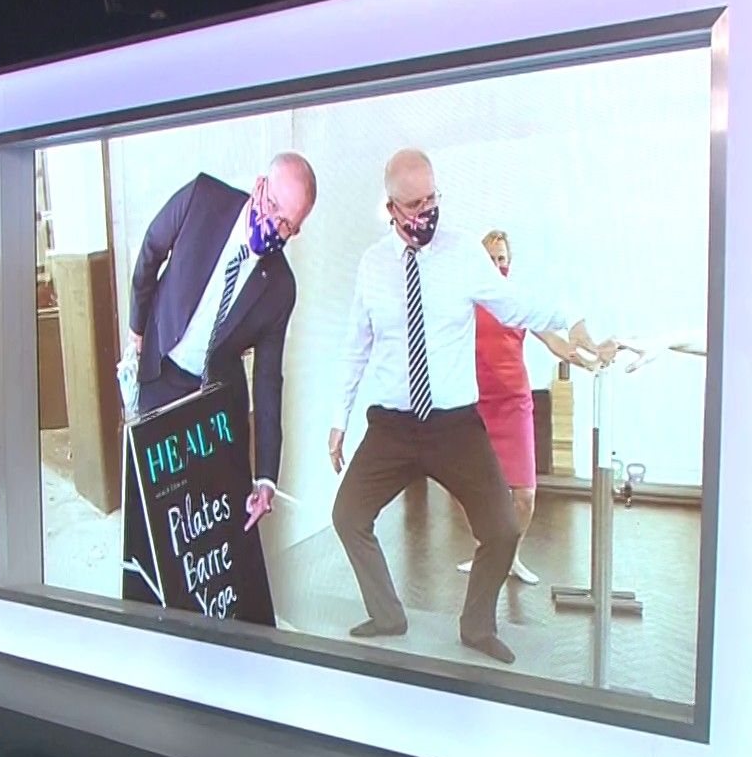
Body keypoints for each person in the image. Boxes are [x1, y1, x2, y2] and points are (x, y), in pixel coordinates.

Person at [329, 149, 610, 665]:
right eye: (415, 204)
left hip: (454, 427)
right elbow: (356, 345)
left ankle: (477, 627)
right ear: (390, 208)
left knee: (501, 530)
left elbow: (515, 303)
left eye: (432, 198)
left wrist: (570, 320)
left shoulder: (462, 253)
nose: (427, 211)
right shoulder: (372, 265)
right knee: (347, 516)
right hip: (391, 426)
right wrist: (338, 419)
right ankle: (387, 615)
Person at [124, 153, 317, 525]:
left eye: (286, 224)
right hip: (160, 368)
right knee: (152, 507)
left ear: (296, 231)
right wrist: (137, 330)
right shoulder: (203, 198)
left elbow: (267, 380)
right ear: (259, 186)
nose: (273, 225)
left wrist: (266, 477)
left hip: (214, 399)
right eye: (272, 206)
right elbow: (151, 250)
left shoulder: (280, 287)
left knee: (210, 516)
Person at [456, 229, 600, 584]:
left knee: (525, 495)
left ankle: (511, 557)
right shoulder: (468, 302)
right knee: (476, 492)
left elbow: (553, 340)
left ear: (510, 262)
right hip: (477, 406)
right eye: (490, 259)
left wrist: (583, 357)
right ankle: (486, 553)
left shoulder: (515, 301)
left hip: (514, 404)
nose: (497, 265)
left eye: (502, 258)